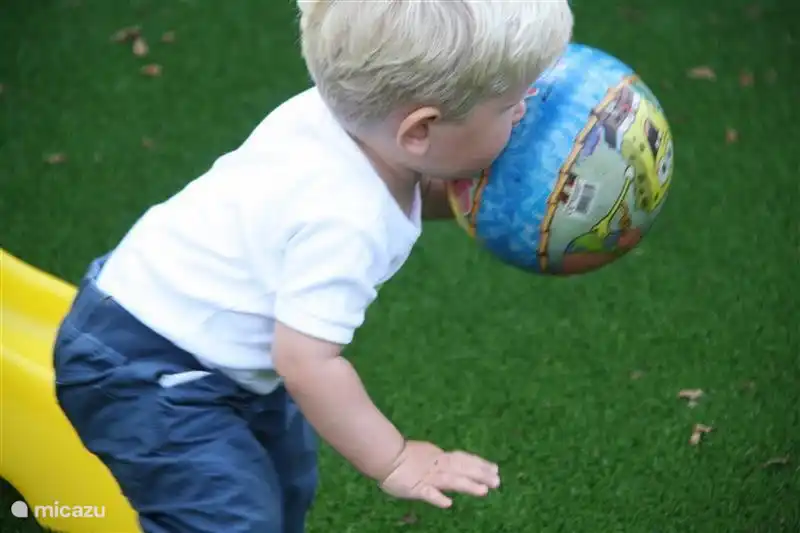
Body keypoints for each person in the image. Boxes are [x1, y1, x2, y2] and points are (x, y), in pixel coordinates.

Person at [52, 1, 574, 531]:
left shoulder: (339, 115)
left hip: (177, 329)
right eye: (509, 105)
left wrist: (495, 195)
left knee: (287, 483)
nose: (524, 111)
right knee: (229, 520)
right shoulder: (347, 221)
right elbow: (306, 363)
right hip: (146, 368)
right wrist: (396, 458)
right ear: (420, 130)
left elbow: (421, 189)